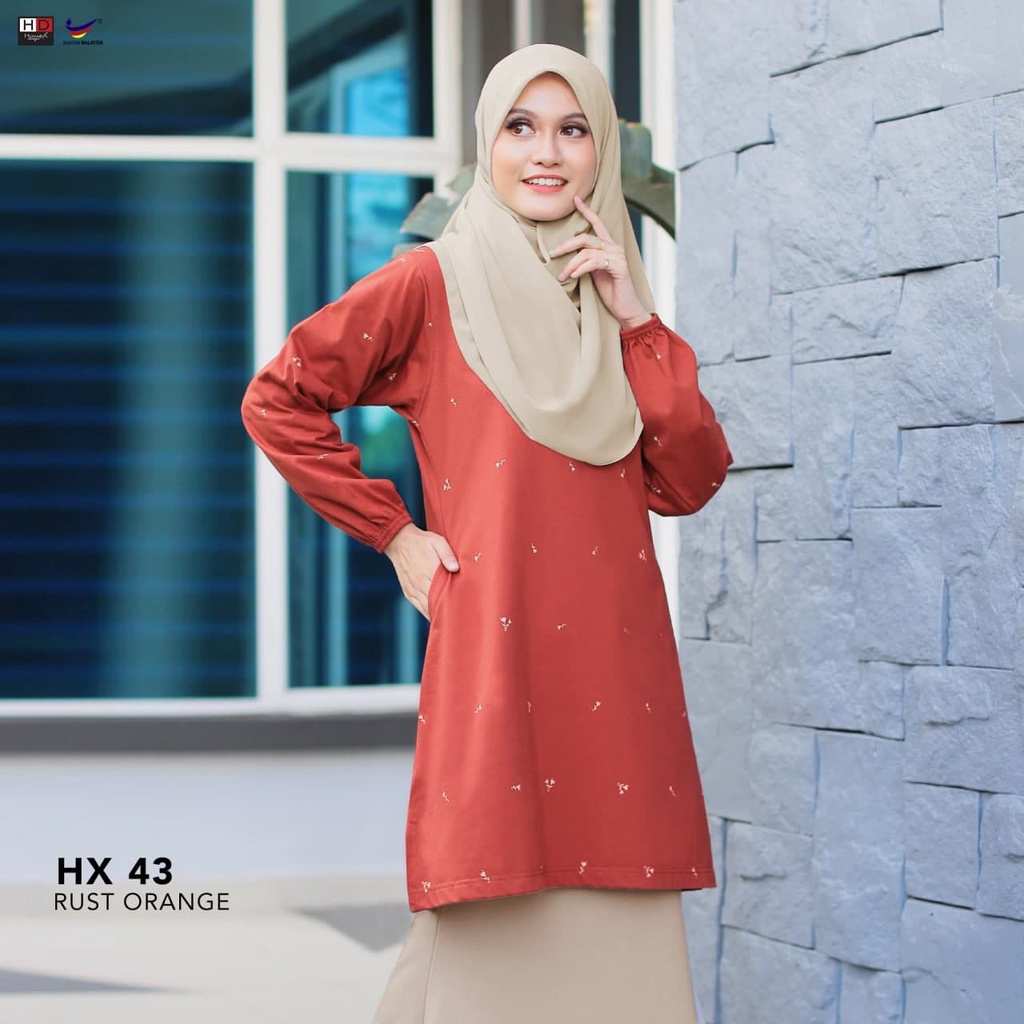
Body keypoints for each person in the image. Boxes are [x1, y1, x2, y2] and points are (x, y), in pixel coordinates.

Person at [242, 43, 731, 1024]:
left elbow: (686, 479)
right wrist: (396, 535)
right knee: (482, 918)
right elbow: (280, 398)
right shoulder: (433, 284)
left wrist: (637, 320)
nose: (545, 152)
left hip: (618, 673)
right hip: (500, 662)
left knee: (618, 942)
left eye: (572, 129)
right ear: (487, 144)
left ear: (598, 152)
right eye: (520, 127)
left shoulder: (610, 305)